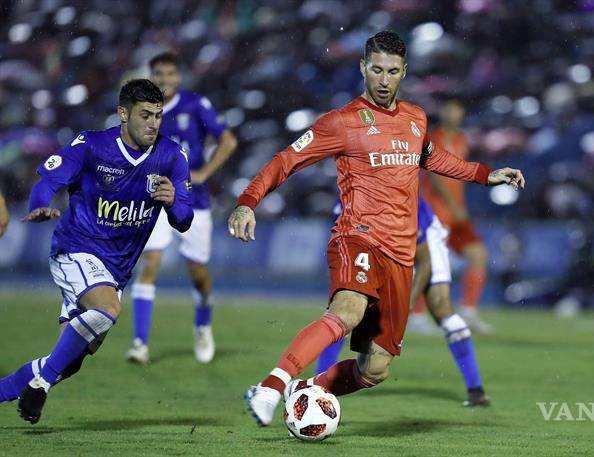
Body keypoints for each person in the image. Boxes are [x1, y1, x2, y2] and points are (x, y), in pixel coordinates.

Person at [228, 30, 523, 426]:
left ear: (405, 72)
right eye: (377, 70)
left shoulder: (416, 119)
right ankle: (271, 386)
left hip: (401, 257)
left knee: (374, 369)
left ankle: (308, 391)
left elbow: (436, 160)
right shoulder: (342, 121)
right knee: (347, 311)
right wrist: (248, 202)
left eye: (393, 72)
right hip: (359, 237)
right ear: (363, 67)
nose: (384, 80)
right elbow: (286, 160)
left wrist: (487, 175)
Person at [0, 79, 193, 424]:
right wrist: (41, 204)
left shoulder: (171, 156)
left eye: (158, 116)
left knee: (67, 362)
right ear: (122, 114)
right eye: (145, 115)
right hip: (75, 250)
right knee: (107, 309)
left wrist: (175, 202)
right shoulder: (91, 145)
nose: (153, 123)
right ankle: (40, 385)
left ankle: (26, 383)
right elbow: (48, 180)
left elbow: (183, 220)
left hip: (115, 271)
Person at [315, 198, 490, 407]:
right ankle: (318, 389)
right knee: (345, 313)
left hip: (423, 245)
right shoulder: (346, 204)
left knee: (441, 306)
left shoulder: (403, 203)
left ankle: (476, 390)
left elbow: (424, 262)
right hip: (379, 252)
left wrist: (406, 304)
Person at [126, 53, 238, 365]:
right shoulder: (142, 109)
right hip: (152, 198)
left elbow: (227, 141)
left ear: (179, 76)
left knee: (198, 273)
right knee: (149, 263)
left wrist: (204, 173)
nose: (164, 80)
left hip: (193, 199)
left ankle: (203, 323)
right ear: (150, 75)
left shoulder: (196, 105)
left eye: (170, 74)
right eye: (158, 74)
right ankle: (139, 343)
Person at [418, 99, 492, 333]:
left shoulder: (462, 140)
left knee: (478, 254)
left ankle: (468, 311)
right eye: (448, 107)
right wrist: (452, 203)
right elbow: (435, 174)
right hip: (434, 211)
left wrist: (459, 205)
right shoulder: (433, 139)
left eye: (457, 108)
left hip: (457, 213)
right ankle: (416, 316)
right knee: (427, 262)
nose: (452, 112)